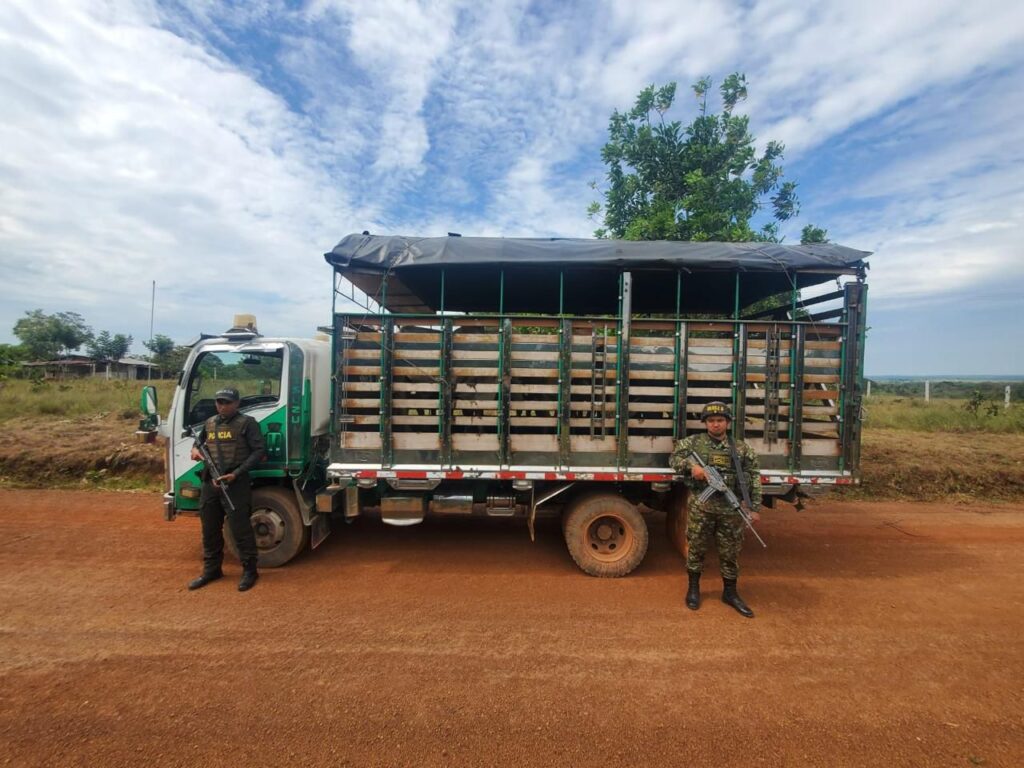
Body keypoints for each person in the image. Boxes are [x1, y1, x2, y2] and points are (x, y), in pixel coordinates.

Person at [670, 401, 762, 618]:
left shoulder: (741, 449)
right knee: (696, 549)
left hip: (731, 509)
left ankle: (730, 592)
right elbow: (674, 458)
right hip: (702, 507)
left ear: (727, 423)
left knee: (730, 552)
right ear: (705, 423)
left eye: (720, 420)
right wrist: (693, 468)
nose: (716, 424)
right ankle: (694, 589)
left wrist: (754, 507)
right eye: (711, 421)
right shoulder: (694, 443)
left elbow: (754, 476)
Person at [187, 387, 266, 592]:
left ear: (237, 403)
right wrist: (195, 450)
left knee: (241, 530)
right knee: (210, 530)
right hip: (210, 483)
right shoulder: (210, 423)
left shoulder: (247, 423)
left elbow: (259, 451)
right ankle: (211, 570)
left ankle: (250, 571)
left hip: (235, 483)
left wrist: (236, 474)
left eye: (227, 402)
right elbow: (198, 444)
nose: (222, 406)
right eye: (219, 402)